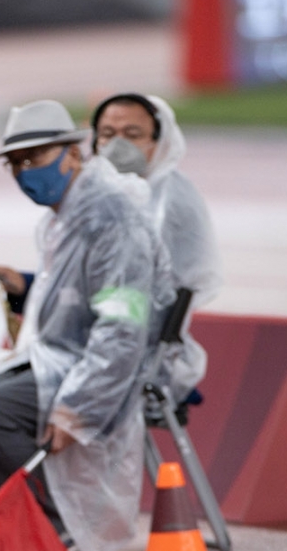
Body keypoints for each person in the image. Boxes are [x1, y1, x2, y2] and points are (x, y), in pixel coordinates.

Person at [0, 99, 172, 551]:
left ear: (74, 154)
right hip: (62, 359)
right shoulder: (62, 218)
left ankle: (54, 528)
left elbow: (123, 327)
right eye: (15, 163)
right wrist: (26, 286)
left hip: (111, 370)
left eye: (34, 158)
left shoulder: (113, 218)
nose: (24, 172)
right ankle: (4, 529)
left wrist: (77, 407)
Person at [90, 93, 222, 401]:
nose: (117, 145)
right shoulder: (97, 194)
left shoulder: (172, 202)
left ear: (159, 141)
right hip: (92, 333)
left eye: (132, 135)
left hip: (138, 352)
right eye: (107, 134)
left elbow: (157, 294)